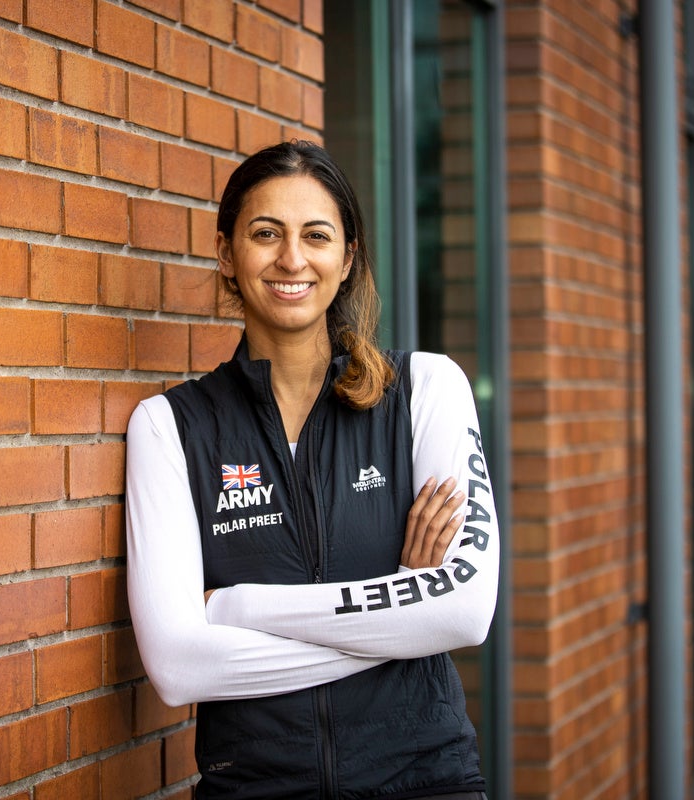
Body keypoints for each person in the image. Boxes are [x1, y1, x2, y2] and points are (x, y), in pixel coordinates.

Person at [125, 140, 499, 799]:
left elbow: (464, 611)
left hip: (424, 781)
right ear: (226, 253)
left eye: (316, 235)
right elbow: (180, 668)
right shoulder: (171, 427)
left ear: (347, 256)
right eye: (266, 233)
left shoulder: (425, 391)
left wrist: (241, 608)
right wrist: (404, 610)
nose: (292, 258)